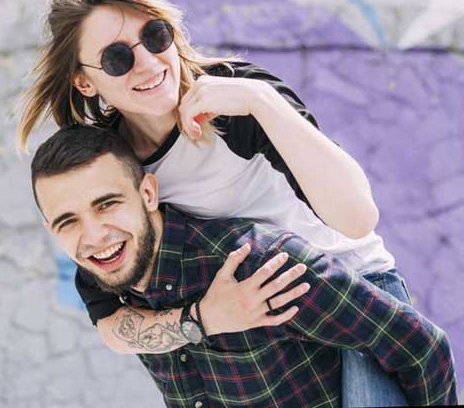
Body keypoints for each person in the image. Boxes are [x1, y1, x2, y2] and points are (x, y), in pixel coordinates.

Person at [19, 0, 410, 406]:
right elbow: (110, 321)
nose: (147, 64)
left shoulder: (236, 101)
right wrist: (204, 318)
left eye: (155, 36)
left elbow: (358, 218)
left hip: (354, 295)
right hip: (266, 330)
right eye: (117, 58)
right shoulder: (110, 166)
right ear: (84, 81)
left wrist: (260, 101)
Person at [31, 125, 457, 408]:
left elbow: (422, 348)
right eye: (68, 222)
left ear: (147, 194)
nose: (94, 235)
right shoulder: (113, 279)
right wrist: (203, 319)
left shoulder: (255, 264)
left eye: (107, 204)